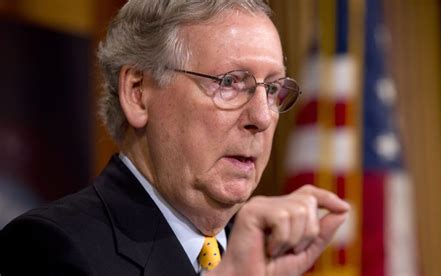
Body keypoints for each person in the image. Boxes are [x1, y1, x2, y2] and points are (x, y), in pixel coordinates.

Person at [0, 0, 350, 275]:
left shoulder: (262, 251)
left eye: (272, 88)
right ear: (138, 93)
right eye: (229, 82)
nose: (261, 117)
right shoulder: (50, 249)